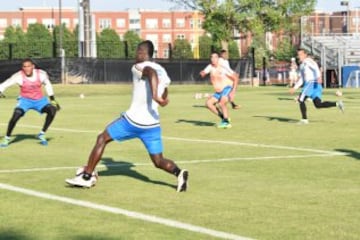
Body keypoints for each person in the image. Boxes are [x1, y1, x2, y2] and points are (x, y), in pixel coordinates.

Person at [66, 40, 189, 192]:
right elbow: (164, 89)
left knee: (102, 138)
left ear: (143, 53)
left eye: (137, 52)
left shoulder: (139, 66)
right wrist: (161, 99)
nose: (135, 55)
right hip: (152, 125)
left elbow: (150, 72)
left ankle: (86, 176)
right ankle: (179, 173)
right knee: (158, 160)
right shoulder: (163, 70)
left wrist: (157, 98)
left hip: (133, 121)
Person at [0, 58, 60, 147]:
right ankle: (7, 138)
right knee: (16, 115)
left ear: (33, 66)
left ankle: (42, 133)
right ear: (22, 68)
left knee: (52, 110)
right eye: (24, 67)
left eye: (28, 66)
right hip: (25, 101)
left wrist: (52, 99)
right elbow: (5, 84)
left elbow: (48, 85)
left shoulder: (41, 74)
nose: (27, 68)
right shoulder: (18, 76)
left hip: (39, 101)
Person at [289, 48, 344, 124]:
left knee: (301, 99)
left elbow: (315, 67)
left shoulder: (308, 61)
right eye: (298, 55)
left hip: (312, 83)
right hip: (315, 85)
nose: (299, 56)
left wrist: (319, 77)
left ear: (305, 55)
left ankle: (304, 120)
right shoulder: (302, 65)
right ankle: (337, 103)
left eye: (301, 54)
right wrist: (295, 88)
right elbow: (302, 79)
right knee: (318, 104)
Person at [200, 51, 238, 129]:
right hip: (218, 91)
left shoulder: (223, 67)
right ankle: (224, 118)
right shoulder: (210, 67)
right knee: (208, 103)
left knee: (222, 103)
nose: (213, 59)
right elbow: (204, 72)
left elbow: (235, 78)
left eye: (215, 57)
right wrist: (202, 73)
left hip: (227, 88)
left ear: (218, 58)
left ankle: (226, 123)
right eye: (211, 57)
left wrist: (233, 92)